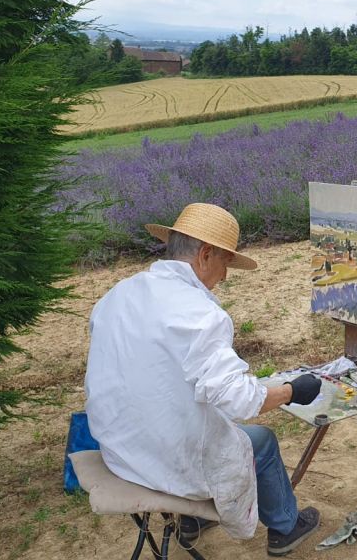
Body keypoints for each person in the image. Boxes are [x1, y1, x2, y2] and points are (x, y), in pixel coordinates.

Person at [84, 203, 323, 556]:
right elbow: (239, 401)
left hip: (119, 448)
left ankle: (195, 518)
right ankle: (286, 527)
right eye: (226, 262)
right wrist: (290, 391)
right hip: (165, 462)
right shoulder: (200, 313)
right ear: (206, 255)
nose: (225, 276)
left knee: (207, 418)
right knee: (262, 441)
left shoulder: (119, 293)